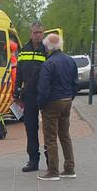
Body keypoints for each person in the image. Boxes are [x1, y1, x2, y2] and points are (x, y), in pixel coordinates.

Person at [36, 32, 78, 181]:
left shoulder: (48, 63)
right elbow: (75, 82)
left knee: (51, 137)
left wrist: (41, 104)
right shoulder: (70, 60)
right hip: (67, 100)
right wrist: (71, 96)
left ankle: (53, 170)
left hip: (52, 102)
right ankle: (69, 168)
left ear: (48, 46)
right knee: (65, 135)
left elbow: (43, 87)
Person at [14, 22, 50, 172]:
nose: (37, 35)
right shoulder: (24, 50)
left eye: (40, 32)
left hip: (45, 94)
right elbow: (19, 72)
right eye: (35, 33)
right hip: (29, 94)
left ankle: (50, 160)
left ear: (43, 33)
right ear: (31, 33)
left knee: (48, 128)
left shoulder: (47, 50)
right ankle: (33, 160)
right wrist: (16, 90)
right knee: (30, 128)